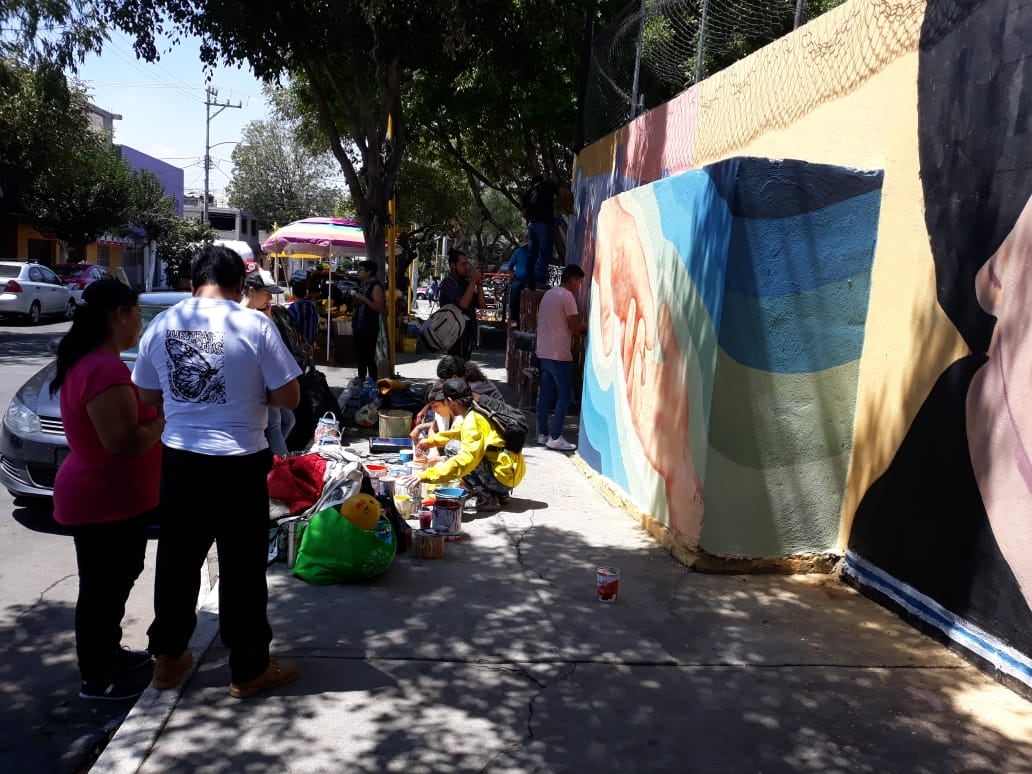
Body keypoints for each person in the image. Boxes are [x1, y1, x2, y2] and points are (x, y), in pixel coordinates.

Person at [132, 244, 302, 699]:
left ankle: (168, 659)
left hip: (181, 459)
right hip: (239, 463)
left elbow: (146, 398)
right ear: (239, 286)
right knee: (243, 567)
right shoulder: (254, 323)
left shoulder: (164, 323)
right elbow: (290, 397)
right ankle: (248, 669)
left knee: (177, 560)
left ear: (192, 283)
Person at [49, 279, 164, 701]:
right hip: (104, 501)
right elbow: (123, 441)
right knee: (102, 590)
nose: (139, 323)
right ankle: (97, 678)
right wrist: (162, 421)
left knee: (112, 584)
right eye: (136, 314)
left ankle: (108, 655)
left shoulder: (97, 362)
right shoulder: (104, 368)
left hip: (115, 500)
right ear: (119, 315)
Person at [399, 378, 525, 512]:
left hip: (504, 478)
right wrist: (431, 441)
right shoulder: (477, 409)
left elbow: (464, 461)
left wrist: (425, 475)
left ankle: (486, 498)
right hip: (509, 472)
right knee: (458, 446)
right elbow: (458, 431)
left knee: (453, 448)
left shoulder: (473, 420)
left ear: (450, 401)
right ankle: (500, 494)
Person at [242, 269, 296, 458]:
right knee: (275, 425)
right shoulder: (242, 318)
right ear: (251, 291)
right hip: (259, 385)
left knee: (288, 421)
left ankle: (275, 460)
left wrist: (269, 318)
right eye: (267, 293)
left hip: (270, 382)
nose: (270, 298)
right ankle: (281, 463)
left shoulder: (261, 316)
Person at [536, 264, 587, 451]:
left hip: (544, 351)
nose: (579, 286)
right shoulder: (567, 296)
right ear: (573, 280)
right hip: (560, 354)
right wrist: (586, 327)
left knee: (546, 395)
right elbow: (574, 326)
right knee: (564, 397)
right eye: (579, 282)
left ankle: (543, 434)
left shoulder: (548, 294)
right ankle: (556, 436)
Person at [521, 175, 573, 290]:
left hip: (531, 225)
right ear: (542, 180)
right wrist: (570, 207)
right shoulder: (547, 185)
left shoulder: (528, 193)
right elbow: (565, 193)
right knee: (545, 253)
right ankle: (540, 281)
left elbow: (524, 213)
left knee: (532, 255)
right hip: (544, 224)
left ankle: (530, 283)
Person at [438, 248, 485, 361]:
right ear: (453, 265)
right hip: (454, 335)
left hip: (467, 334)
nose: (466, 267)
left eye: (467, 264)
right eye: (462, 264)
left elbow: (481, 304)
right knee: (455, 368)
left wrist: (478, 284)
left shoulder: (466, 283)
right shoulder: (448, 283)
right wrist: (473, 282)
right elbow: (463, 304)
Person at [350, 259, 386, 380]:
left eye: (361, 270)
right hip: (358, 326)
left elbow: (380, 307)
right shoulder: (363, 285)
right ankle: (361, 380)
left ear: (369, 272)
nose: (358, 272)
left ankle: (372, 382)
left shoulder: (375, 286)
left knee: (368, 357)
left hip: (369, 327)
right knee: (360, 357)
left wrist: (363, 299)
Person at [436, 354, 503, 401]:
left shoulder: (469, 390)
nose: (442, 383)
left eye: (443, 381)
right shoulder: (471, 378)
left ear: (454, 377)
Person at [288, 279, 319, 346]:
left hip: (297, 348)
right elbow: (316, 325)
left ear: (293, 294)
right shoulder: (312, 307)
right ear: (306, 293)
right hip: (310, 345)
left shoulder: (292, 309)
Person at [506, 242, 531, 326]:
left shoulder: (535, 252)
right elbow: (510, 267)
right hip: (518, 278)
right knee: (514, 296)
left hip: (530, 278)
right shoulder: (518, 252)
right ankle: (514, 321)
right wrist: (512, 275)